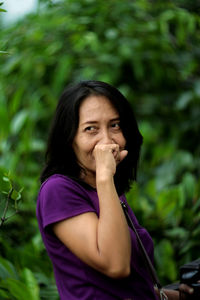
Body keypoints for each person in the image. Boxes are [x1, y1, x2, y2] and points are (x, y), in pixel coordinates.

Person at [36, 80, 193, 300]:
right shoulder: (58, 190)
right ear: (69, 138)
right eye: (91, 129)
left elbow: (129, 289)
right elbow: (115, 265)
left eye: (115, 125)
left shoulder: (107, 190)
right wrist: (104, 178)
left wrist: (178, 296)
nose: (107, 141)